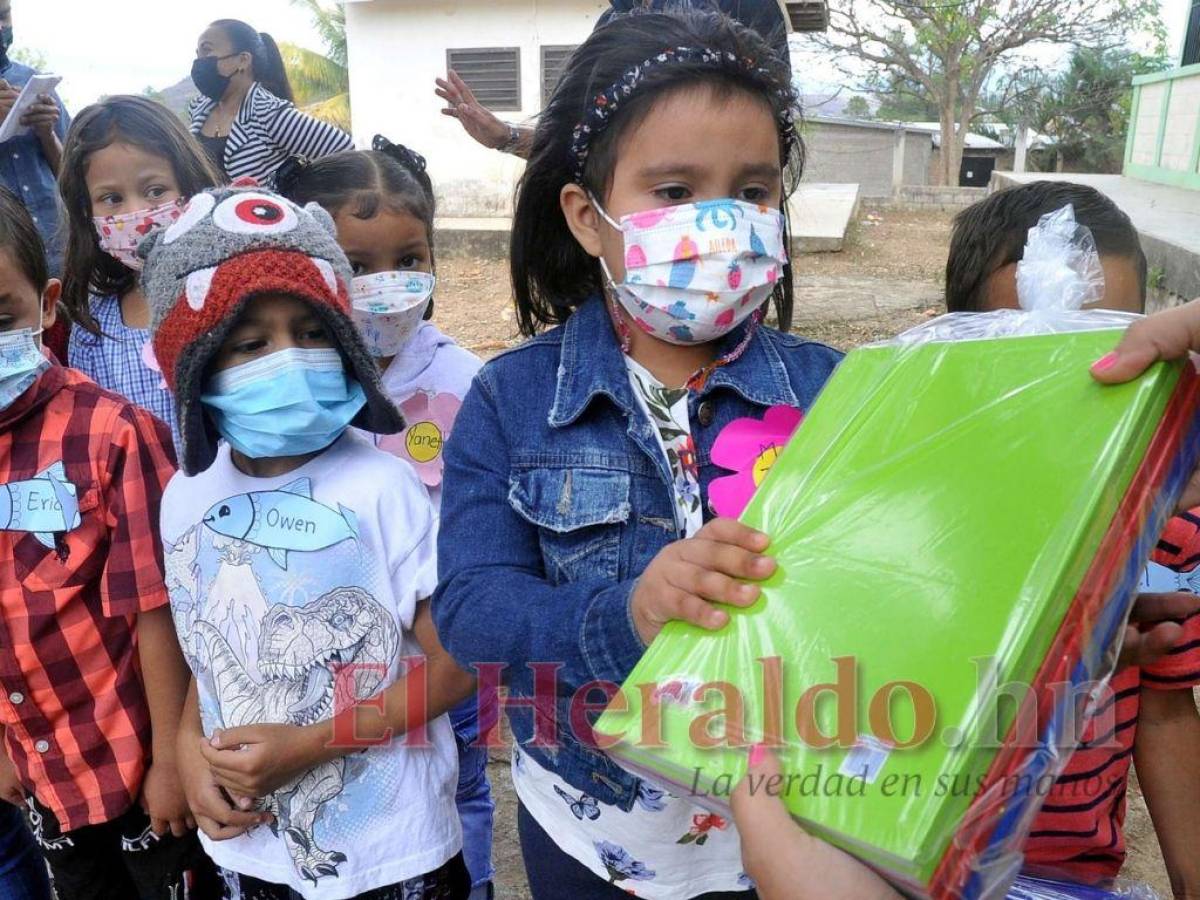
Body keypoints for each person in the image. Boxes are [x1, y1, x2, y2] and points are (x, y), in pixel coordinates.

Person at [434, 10, 840, 897]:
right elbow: (472, 610)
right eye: (673, 192)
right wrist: (630, 614)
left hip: (787, 835)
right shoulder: (511, 401)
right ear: (587, 216)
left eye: (754, 191)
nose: (721, 222)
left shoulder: (837, 395)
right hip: (590, 831)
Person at [144, 185, 475, 898]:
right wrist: (184, 746)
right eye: (251, 344)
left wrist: (313, 745)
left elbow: (457, 666)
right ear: (195, 368)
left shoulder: (385, 489)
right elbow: (210, 639)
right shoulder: (186, 497)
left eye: (313, 332)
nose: (289, 360)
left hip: (394, 856)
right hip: (253, 854)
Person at [946, 181, 1200, 890]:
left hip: (1072, 876)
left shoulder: (1167, 523)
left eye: (1096, 352)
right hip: (919, 861)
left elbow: (1167, 710)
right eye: (1030, 353)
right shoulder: (930, 517)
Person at [277, 138, 496, 900]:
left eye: (410, 257)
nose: (387, 285)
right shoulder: (295, 389)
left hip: (445, 654)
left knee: (461, 785)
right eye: (358, 265)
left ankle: (473, 883)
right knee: (352, 792)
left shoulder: (469, 381)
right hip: (339, 660)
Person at [0, 186, 216, 898]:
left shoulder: (112, 435)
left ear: (47, 301)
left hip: (132, 768)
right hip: (43, 772)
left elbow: (153, 608)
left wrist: (166, 759)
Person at [58, 95, 221, 451]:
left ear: (190, 187)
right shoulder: (94, 323)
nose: (138, 213)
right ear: (87, 212)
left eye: (155, 191)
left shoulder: (225, 290)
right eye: (112, 199)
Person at [434, 0, 789, 160]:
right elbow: (575, 147)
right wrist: (505, 137)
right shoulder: (610, 24)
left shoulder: (745, 7)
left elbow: (775, 142)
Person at [189, 19, 352, 186]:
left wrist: (300, 198)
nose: (199, 62)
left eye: (206, 50)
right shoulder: (199, 110)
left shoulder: (269, 114)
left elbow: (346, 154)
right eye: (197, 54)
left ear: (243, 60)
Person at [0, 0, 69, 274]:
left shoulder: (35, 81)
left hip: (60, 252)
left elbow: (73, 174)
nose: (1, 27)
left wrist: (46, 133)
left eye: (4, 15)